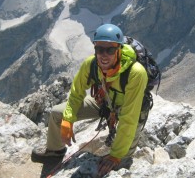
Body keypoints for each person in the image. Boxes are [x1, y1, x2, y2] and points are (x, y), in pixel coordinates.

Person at [32, 24, 148, 176]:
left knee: (122, 161)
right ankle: (54, 152)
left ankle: (122, 158)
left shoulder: (135, 72)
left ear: (119, 49)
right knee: (57, 113)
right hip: (105, 103)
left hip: (131, 110)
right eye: (99, 49)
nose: (103, 55)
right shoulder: (91, 64)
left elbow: (129, 118)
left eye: (110, 50)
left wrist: (116, 155)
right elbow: (76, 93)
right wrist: (68, 119)